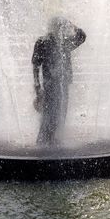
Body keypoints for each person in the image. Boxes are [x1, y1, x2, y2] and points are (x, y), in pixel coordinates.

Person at [32, 17, 86, 145]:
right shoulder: (42, 41)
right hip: (50, 85)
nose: (62, 28)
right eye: (60, 25)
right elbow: (35, 65)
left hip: (63, 84)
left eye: (63, 26)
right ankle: (43, 141)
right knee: (50, 113)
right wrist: (37, 87)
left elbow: (82, 36)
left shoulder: (64, 42)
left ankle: (53, 140)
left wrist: (72, 24)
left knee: (61, 113)